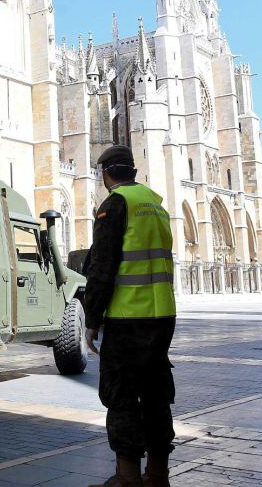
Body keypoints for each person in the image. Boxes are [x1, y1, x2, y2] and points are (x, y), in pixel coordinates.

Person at [84, 145, 176, 487]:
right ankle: (157, 475)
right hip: (162, 315)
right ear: (133, 171)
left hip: (127, 317)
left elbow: (102, 267)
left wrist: (92, 319)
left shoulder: (116, 203)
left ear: (105, 173)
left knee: (121, 396)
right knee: (155, 394)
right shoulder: (156, 204)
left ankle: (127, 478)